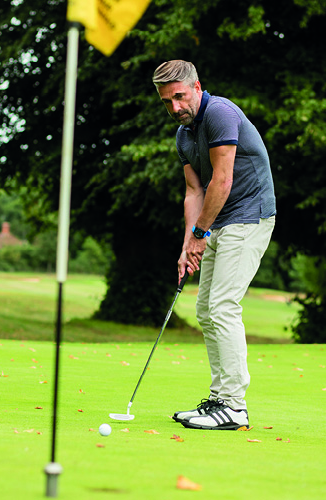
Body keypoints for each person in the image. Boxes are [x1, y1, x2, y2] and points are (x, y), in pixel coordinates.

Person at [152, 60, 276, 430]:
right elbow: (194, 191)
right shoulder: (183, 135)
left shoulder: (220, 113)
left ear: (197, 87)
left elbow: (221, 180)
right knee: (205, 310)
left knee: (222, 306)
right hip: (217, 220)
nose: (175, 107)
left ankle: (234, 406)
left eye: (179, 96)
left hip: (250, 215)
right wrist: (188, 243)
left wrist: (199, 235)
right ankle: (219, 400)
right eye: (166, 101)